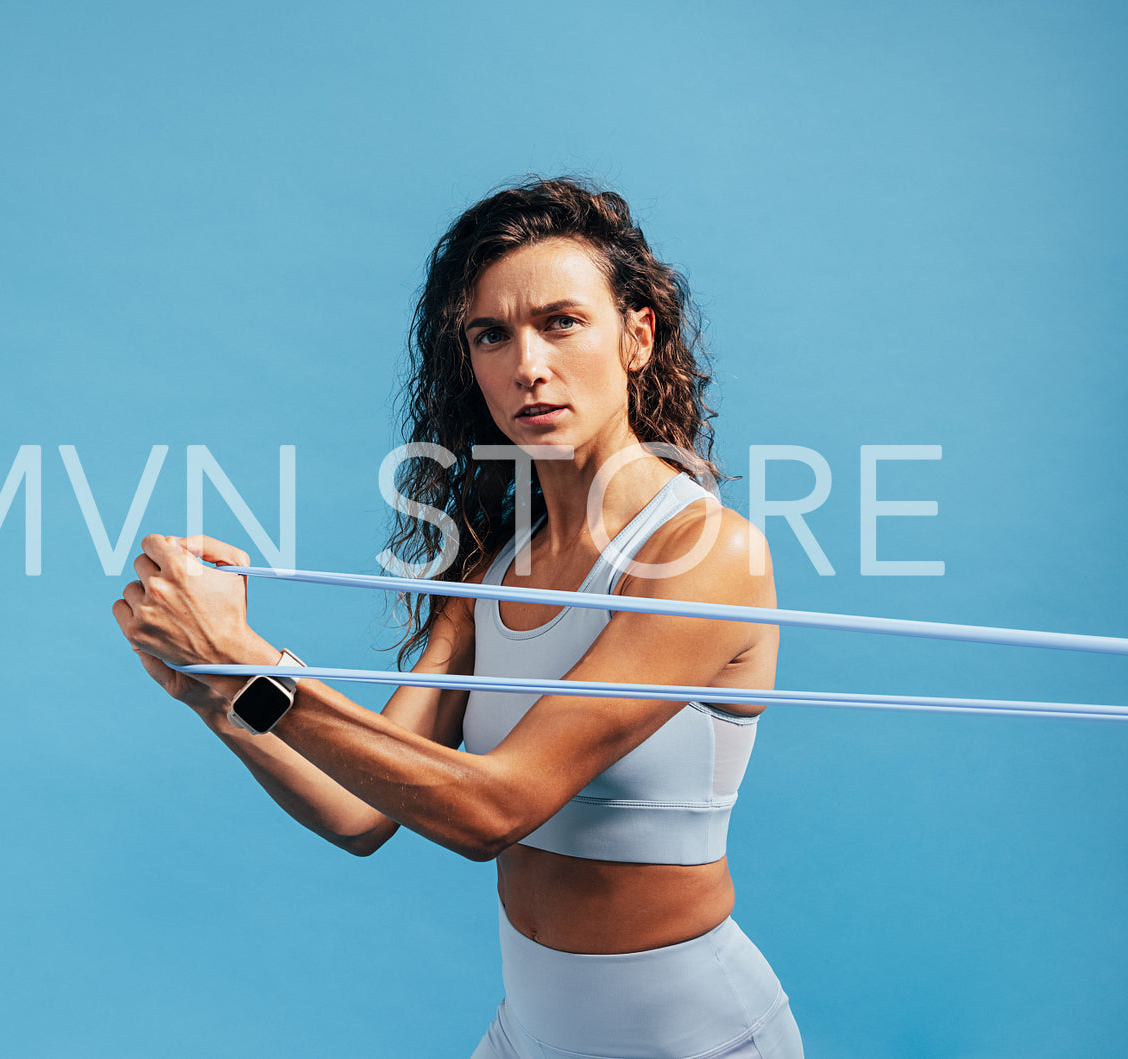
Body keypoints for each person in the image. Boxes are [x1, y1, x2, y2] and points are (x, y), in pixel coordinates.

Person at [114, 177, 803, 1058]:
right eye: (491, 334)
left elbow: (495, 809)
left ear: (636, 335)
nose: (526, 365)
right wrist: (214, 690)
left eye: (560, 322)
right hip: (530, 1031)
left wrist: (252, 661)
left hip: (689, 1036)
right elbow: (359, 812)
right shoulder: (491, 569)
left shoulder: (706, 552)